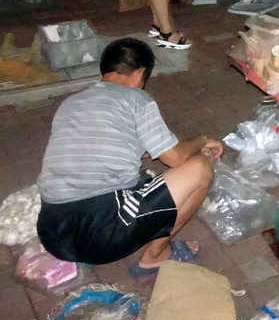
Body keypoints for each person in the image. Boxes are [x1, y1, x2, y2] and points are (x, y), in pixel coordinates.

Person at [37, 38, 222, 275]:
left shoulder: (70, 103)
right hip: (103, 233)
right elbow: (175, 158)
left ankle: (90, 249)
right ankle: (155, 256)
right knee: (200, 169)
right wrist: (202, 140)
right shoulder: (136, 98)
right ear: (140, 74)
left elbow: (98, 146)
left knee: (141, 177)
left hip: (52, 232)